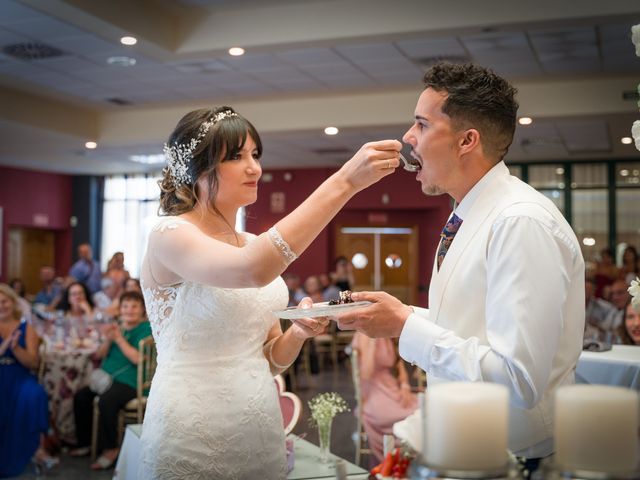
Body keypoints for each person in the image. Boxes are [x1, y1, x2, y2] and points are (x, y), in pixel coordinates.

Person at [336, 63, 585, 477]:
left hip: (517, 457)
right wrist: (401, 315)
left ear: (468, 140)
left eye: (421, 124)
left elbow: (518, 379)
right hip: (471, 440)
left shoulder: (518, 222)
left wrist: (406, 328)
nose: (407, 138)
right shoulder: (470, 214)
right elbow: (475, 328)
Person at [138, 105, 401, 478]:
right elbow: (253, 269)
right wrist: (344, 182)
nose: (254, 168)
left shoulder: (249, 241)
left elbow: (269, 357)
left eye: (255, 155)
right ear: (198, 168)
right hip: (192, 429)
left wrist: (298, 332)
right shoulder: (170, 235)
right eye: (236, 157)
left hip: (258, 424)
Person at [70, 291, 152, 470]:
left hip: (131, 382)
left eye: (134, 306)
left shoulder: (147, 330)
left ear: (142, 310)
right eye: (125, 306)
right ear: (120, 310)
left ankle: (110, 449)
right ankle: (86, 443)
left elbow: (138, 359)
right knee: (81, 397)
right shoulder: (117, 327)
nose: (129, 310)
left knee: (107, 401)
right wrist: (107, 339)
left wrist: (119, 339)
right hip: (106, 378)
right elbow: (100, 355)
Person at [0, 284, 57, 477]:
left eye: (4, 301)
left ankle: (36, 448)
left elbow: (32, 363)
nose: (1, 306)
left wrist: (16, 348)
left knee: (35, 393)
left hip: (19, 373)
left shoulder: (27, 327)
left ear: (13, 302)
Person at [351, 332, 417, 462]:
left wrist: (404, 385)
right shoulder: (363, 336)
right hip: (373, 389)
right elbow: (366, 373)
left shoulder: (386, 334)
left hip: (391, 386)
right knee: (399, 415)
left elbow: (399, 365)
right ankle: (400, 458)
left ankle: (410, 458)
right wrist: (372, 340)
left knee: (422, 408)